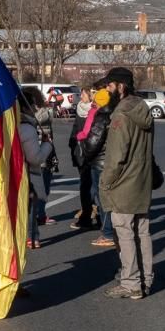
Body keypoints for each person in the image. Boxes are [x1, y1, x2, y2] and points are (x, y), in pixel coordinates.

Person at [99, 67, 155, 299]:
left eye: (110, 86)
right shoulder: (143, 110)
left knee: (124, 233)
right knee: (142, 232)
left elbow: (115, 157)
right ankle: (147, 278)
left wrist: (105, 182)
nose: (107, 90)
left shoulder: (120, 116)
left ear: (120, 87)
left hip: (123, 184)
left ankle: (131, 283)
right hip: (142, 180)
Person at [82, 87, 117, 246]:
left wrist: (85, 153)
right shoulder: (116, 115)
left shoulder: (100, 117)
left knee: (102, 198)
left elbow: (92, 142)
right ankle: (112, 229)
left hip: (100, 162)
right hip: (111, 161)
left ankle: (108, 232)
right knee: (108, 196)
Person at [20, 87, 54, 249]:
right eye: (31, 105)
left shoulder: (12, 125)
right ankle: (32, 237)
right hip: (28, 174)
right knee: (30, 208)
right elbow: (35, 158)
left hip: (14, 175)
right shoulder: (26, 128)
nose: (34, 108)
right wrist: (47, 145)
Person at [69, 87, 95, 230]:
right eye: (81, 94)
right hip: (79, 151)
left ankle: (89, 213)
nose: (81, 96)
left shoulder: (95, 110)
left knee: (89, 185)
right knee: (85, 184)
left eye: (84, 94)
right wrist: (72, 142)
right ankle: (88, 209)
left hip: (90, 151)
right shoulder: (79, 108)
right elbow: (75, 127)